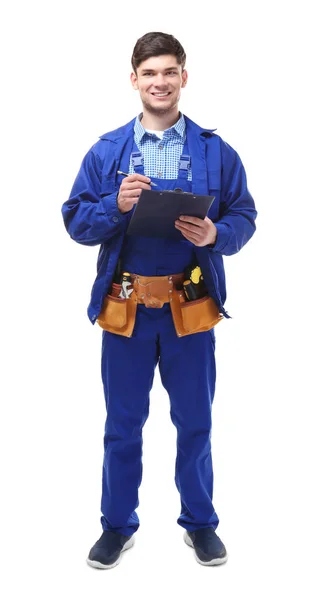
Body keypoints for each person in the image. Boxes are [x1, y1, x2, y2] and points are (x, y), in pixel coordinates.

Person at [61, 31, 257, 569]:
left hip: (190, 307)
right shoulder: (106, 152)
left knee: (195, 421)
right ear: (134, 80)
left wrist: (216, 235)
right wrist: (112, 206)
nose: (160, 82)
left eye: (169, 71)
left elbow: (245, 215)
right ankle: (117, 525)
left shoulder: (218, 152)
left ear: (183, 78)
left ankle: (200, 523)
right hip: (124, 307)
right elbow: (76, 220)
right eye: (150, 73)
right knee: (122, 424)